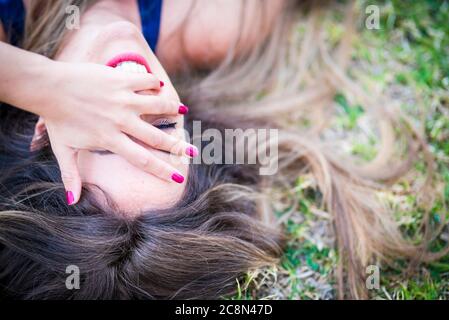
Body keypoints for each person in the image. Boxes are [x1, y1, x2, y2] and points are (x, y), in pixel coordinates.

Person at [0, 0, 446, 299]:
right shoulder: (211, 26)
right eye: (159, 130)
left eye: (107, 143)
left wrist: (47, 86)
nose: (124, 103)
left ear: (43, 132)